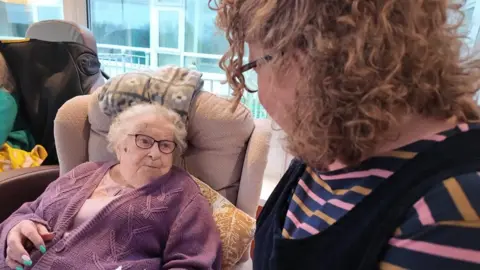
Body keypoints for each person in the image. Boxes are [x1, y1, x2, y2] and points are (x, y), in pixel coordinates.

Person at [213, 0, 480, 269]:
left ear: (312, 53)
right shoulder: (331, 143)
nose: (260, 90)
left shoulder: (453, 209)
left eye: (256, 66)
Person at [0, 103, 222, 270]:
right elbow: (28, 211)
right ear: (119, 145)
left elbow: (194, 262)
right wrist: (16, 230)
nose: (155, 153)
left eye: (165, 145)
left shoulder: (183, 194)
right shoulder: (83, 172)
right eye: (144, 141)